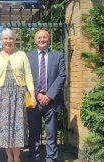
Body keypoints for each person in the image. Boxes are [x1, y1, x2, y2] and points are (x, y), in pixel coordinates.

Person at [0, 28, 37, 162]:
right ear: (1, 41)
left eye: (10, 38)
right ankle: (9, 157)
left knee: (17, 128)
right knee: (5, 128)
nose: (8, 41)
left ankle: (17, 157)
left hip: (18, 95)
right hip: (2, 95)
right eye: (5, 38)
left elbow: (28, 75)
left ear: (14, 40)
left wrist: (32, 95)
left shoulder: (21, 55)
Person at [26, 30, 66, 162]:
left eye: (44, 37)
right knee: (33, 132)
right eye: (39, 38)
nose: (42, 40)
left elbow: (61, 76)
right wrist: (36, 94)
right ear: (35, 40)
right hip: (33, 100)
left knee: (51, 132)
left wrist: (49, 95)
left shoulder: (58, 55)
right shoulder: (28, 56)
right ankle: (33, 157)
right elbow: (25, 77)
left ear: (48, 40)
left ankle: (51, 158)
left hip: (52, 101)